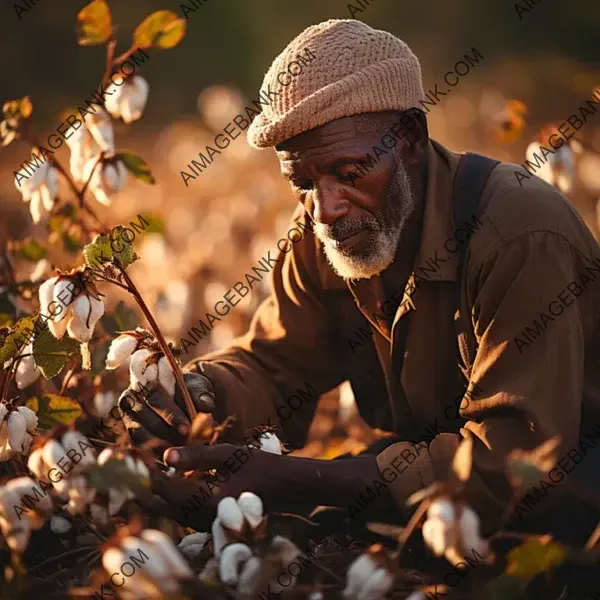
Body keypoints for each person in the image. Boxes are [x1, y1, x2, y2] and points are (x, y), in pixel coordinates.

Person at [125, 19, 600, 556]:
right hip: (440, 469)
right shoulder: (325, 233)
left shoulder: (520, 235)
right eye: (304, 183)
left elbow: (516, 465)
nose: (325, 209)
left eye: (349, 172)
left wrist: (296, 481)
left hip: (568, 481)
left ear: (412, 140)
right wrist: (200, 393)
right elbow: (275, 363)